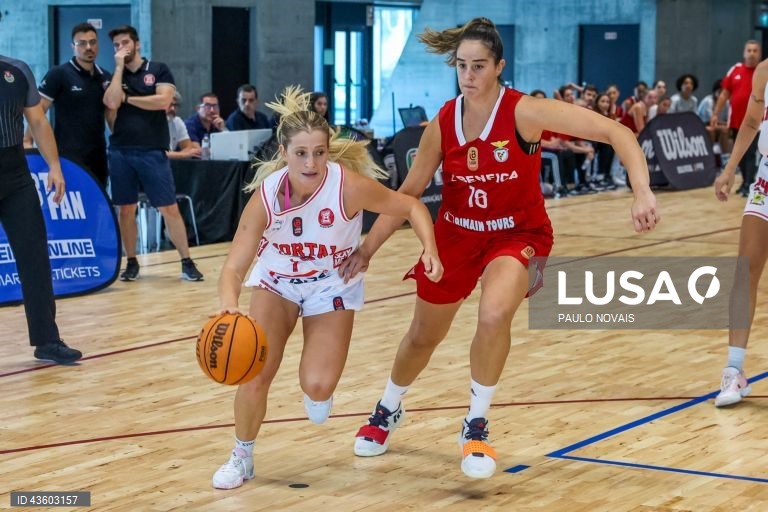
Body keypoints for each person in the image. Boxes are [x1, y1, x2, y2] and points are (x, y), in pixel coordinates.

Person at [344, 17, 659, 479]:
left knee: (493, 314)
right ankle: (389, 407)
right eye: (462, 66)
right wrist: (368, 249)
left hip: (518, 235)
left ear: (499, 67)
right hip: (456, 234)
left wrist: (642, 189)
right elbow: (407, 194)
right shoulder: (443, 123)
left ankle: (476, 424)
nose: (468, 75)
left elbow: (619, 133)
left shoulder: (523, 112)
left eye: (479, 66)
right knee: (422, 336)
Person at [210, 86, 443, 490]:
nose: (311, 161)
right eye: (301, 153)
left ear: (328, 151)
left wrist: (429, 250)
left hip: (329, 283)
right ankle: (242, 455)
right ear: (284, 153)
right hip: (277, 282)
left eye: (319, 152)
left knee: (317, 389)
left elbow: (412, 206)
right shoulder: (267, 197)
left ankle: (319, 389)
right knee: (255, 372)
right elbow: (233, 267)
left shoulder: (347, 186)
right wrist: (230, 307)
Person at [103, 25, 204, 281]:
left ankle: (186, 261)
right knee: (126, 209)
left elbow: (163, 101)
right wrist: (117, 69)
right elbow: (111, 102)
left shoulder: (157, 69)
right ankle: (132, 261)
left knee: (168, 206)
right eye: (116, 45)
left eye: (125, 43)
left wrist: (129, 99)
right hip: (120, 151)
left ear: (136, 44)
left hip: (152, 150)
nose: (120, 48)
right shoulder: (114, 75)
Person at [0, 55, 82, 364]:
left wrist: (55, 165)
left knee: (34, 257)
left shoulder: (17, 70)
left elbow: (37, 121)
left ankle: (47, 341)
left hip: (15, 174)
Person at [712, 56, 768, 407]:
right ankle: (734, 371)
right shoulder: (764, 70)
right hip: (765, 179)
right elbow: (750, 121)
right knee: (745, 270)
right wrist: (730, 168)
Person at [23, 22, 112, 186]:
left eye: (92, 42)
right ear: (73, 46)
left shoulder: (105, 77)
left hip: (98, 157)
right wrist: (27, 141)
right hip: (67, 158)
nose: (88, 47)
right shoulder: (59, 74)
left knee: (97, 208)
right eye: (82, 43)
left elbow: (111, 117)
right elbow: (38, 112)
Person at [712, 40, 762, 196]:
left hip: (757, 123)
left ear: (759, 54)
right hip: (736, 121)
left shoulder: (762, 72)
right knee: (738, 154)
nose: (752, 53)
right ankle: (744, 184)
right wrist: (715, 113)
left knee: (750, 154)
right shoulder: (735, 70)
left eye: (755, 51)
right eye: (749, 50)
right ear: (744, 52)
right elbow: (725, 93)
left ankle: (748, 184)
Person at [166, 91, 201, 159]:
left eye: (175, 105)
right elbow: (157, 154)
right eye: (169, 104)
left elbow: (188, 148)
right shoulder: (149, 122)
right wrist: (183, 155)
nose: (172, 109)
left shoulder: (177, 121)